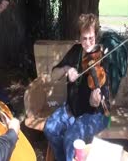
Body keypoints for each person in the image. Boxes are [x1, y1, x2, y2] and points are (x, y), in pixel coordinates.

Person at [43, 13, 111, 161]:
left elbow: (100, 98)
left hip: (95, 115)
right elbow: (54, 74)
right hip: (72, 110)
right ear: (79, 38)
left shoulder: (102, 58)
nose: (87, 43)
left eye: (91, 38)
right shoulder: (76, 51)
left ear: (96, 36)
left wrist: (96, 99)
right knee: (49, 128)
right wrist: (67, 69)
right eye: (84, 39)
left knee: (70, 138)